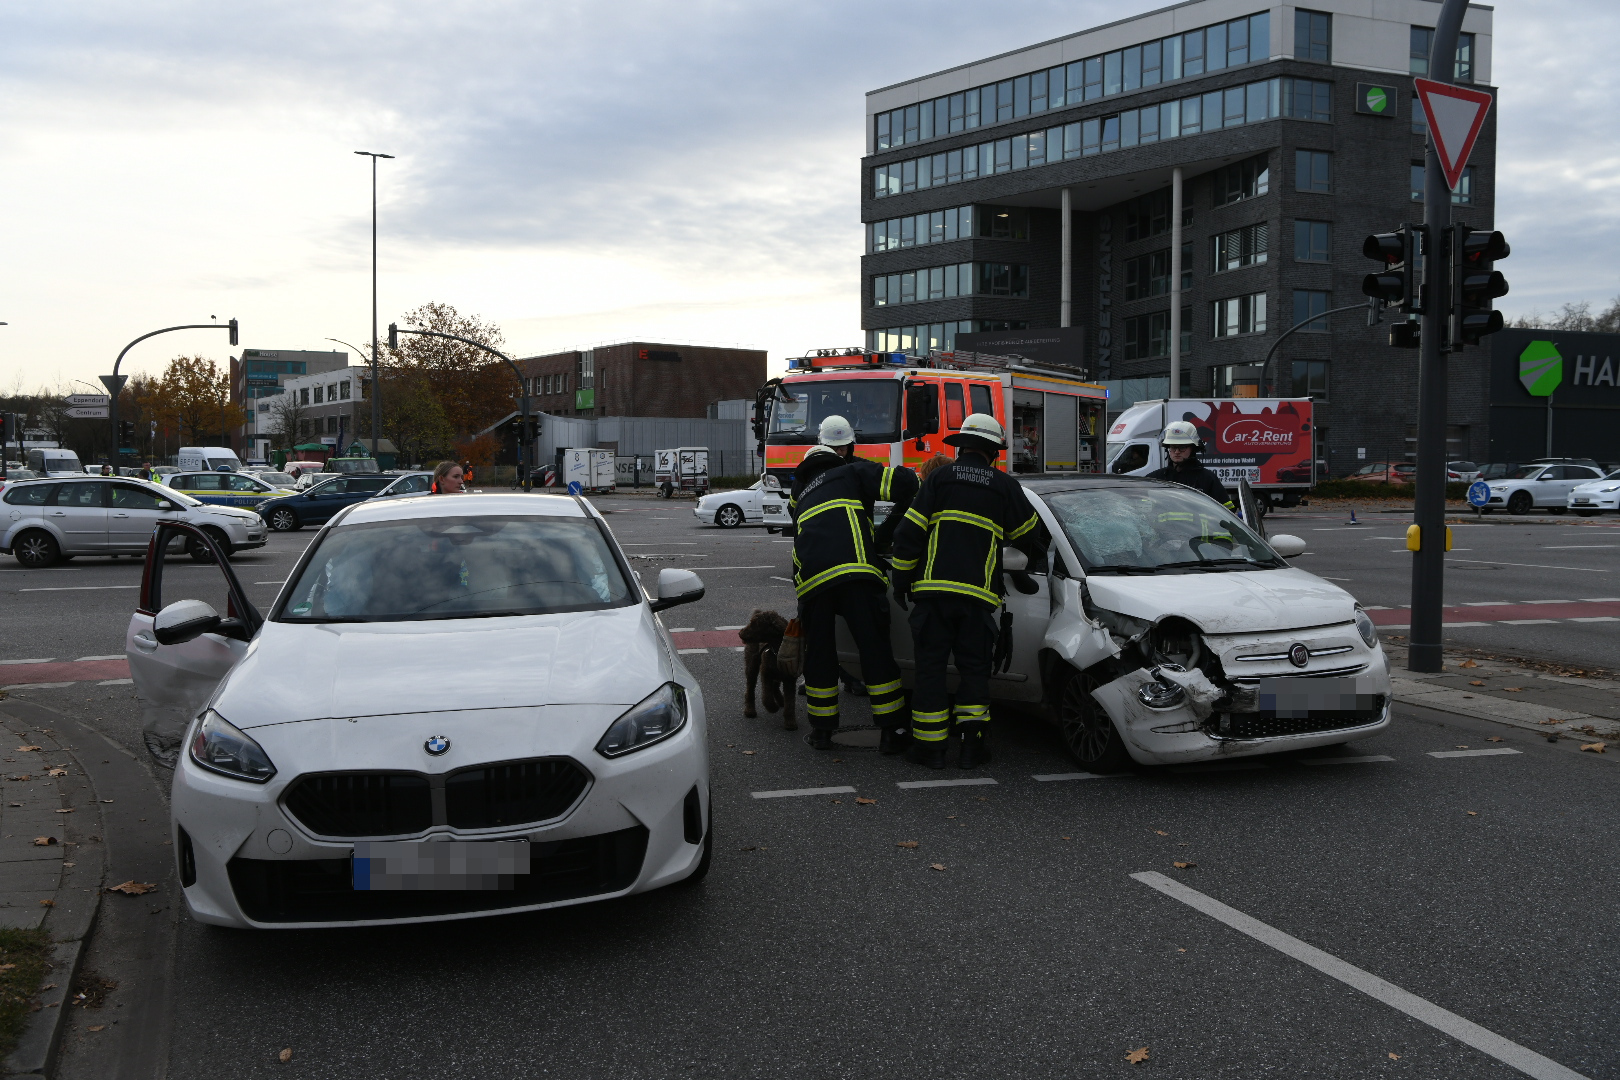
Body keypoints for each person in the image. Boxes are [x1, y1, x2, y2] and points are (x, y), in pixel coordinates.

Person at [889, 413, 1047, 770]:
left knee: (930, 670)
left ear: (961, 447)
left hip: (932, 595)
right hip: (977, 599)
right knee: (975, 671)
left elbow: (908, 534)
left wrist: (901, 581)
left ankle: (929, 750)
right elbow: (1030, 535)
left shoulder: (939, 478)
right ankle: (973, 748)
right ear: (994, 451)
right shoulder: (1005, 486)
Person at [791, 414, 919, 754]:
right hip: (855, 572)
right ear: (848, 447)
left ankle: (821, 733)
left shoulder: (799, 488)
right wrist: (885, 534)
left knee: (820, 655)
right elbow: (907, 484)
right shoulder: (853, 470)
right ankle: (892, 732)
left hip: (812, 581)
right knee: (874, 649)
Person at [1147, 421, 1234, 508]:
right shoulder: (1156, 479)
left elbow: (1227, 511)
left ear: (1192, 449)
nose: (1177, 452)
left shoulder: (1207, 478)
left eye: (1182, 447)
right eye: (1173, 447)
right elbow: (1143, 509)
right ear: (1168, 449)